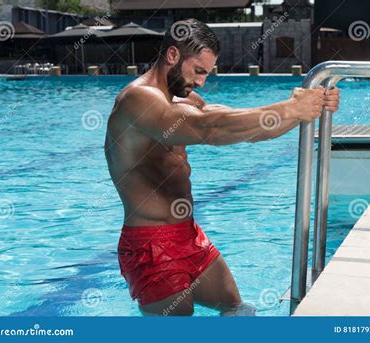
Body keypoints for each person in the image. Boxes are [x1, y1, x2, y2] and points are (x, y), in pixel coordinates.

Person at [104, 18, 340, 316]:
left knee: (237, 310)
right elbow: (209, 130)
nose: (202, 81)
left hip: (187, 235)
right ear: (173, 55)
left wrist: (308, 109)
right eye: (199, 71)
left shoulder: (183, 98)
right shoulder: (138, 100)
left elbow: (250, 130)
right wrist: (290, 108)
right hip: (151, 245)